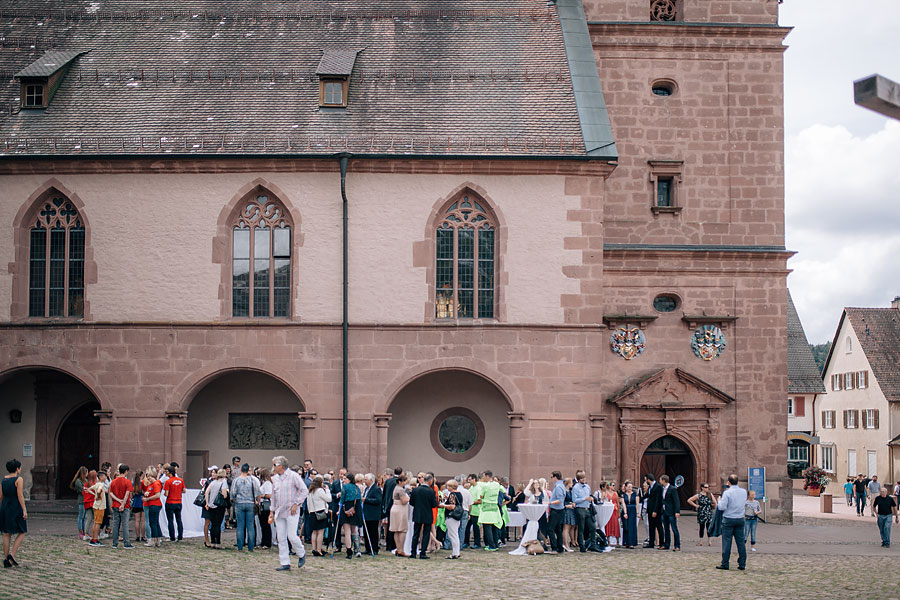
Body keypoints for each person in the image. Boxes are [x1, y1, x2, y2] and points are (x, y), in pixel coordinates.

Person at [269, 455, 308, 571]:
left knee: (292, 536)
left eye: (275, 464)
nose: (273, 467)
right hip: (279, 510)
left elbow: (304, 490)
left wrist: (297, 503)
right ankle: (285, 562)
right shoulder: (275, 479)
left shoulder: (293, 476)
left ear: (281, 465)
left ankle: (301, 553)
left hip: (292, 510)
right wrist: (272, 511)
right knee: (281, 537)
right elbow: (274, 496)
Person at [715, 474, 748, 571]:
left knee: (727, 542)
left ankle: (725, 563)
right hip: (740, 518)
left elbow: (722, 507)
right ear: (738, 482)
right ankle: (742, 563)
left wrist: (719, 501)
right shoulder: (743, 492)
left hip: (729, 519)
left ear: (728, 482)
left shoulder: (727, 493)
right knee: (740, 542)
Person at [1, 459, 27, 568]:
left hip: (5, 507)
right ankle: (12, 554)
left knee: (7, 534)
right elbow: (20, 495)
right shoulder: (18, 479)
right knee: (22, 531)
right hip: (15, 507)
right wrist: (24, 509)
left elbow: (0, 496)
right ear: (17, 469)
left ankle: (6, 558)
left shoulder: (3, 480)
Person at [232, 463, 261, 552]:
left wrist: (234, 500)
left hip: (239, 503)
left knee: (240, 526)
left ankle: (240, 546)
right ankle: (251, 547)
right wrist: (258, 501)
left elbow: (233, 493)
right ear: (248, 470)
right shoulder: (252, 480)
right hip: (250, 503)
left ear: (241, 470)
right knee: (250, 525)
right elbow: (257, 492)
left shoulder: (236, 480)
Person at [409, 473, 438, 559]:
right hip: (427, 514)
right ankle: (423, 553)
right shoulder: (431, 492)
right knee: (426, 534)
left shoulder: (415, 490)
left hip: (417, 513)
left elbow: (411, 503)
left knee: (416, 534)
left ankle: (413, 552)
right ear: (430, 481)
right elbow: (434, 504)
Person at [108, 463, 134, 549]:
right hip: (125, 506)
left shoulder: (113, 481)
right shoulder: (127, 482)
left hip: (115, 504)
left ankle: (114, 543)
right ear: (126, 471)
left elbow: (111, 493)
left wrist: (118, 500)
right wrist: (122, 504)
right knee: (125, 524)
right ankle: (126, 543)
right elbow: (127, 494)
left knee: (115, 524)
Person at [339, 471, 363, 559]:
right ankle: (357, 549)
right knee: (354, 530)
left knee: (347, 531)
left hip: (347, 507)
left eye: (345, 478)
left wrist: (339, 509)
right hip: (355, 508)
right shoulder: (357, 488)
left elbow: (342, 500)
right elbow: (359, 500)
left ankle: (349, 550)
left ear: (349, 479)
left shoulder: (345, 487)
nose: (344, 480)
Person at [306, 475, 331, 556]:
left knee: (314, 532)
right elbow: (329, 499)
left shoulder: (310, 491)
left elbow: (308, 504)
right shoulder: (320, 491)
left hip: (312, 512)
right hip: (320, 512)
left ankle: (314, 549)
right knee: (320, 532)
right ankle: (319, 549)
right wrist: (327, 490)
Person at [204, 468, 229, 549]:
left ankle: (212, 542)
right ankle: (218, 542)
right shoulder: (224, 482)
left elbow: (207, 492)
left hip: (211, 505)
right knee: (218, 524)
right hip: (219, 505)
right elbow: (224, 494)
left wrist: (207, 503)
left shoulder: (213, 482)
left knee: (213, 524)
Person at [687, 482, 717, 546]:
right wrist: (696, 505)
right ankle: (701, 541)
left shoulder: (709, 494)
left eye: (708, 487)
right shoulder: (698, 495)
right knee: (702, 527)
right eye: (706, 487)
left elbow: (715, 502)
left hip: (708, 512)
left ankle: (710, 541)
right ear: (702, 488)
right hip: (702, 512)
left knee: (709, 527)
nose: (707, 488)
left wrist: (713, 507)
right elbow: (689, 500)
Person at [389, 474, 410, 557]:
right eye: (404, 481)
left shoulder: (396, 488)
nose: (405, 483)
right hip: (400, 509)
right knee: (402, 529)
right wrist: (409, 498)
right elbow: (404, 501)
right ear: (400, 482)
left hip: (395, 509)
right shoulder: (400, 490)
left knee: (396, 530)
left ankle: (398, 548)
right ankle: (401, 549)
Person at [571, 471, 593, 552]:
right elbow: (574, 500)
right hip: (580, 508)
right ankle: (581, 546)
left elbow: (589, 495)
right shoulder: (576, 487)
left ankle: (592, 544)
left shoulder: (587, 486)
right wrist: (584, 499)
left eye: (584, 478)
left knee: (592, 527)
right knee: (581, 528)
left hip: (587, 508)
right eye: (582, 478)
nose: (584, 479)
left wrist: (590, 499)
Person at [142, 466, 163, 547]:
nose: (148, 479)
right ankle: (157, 539)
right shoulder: (152, 484)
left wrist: (148, 499)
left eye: (149, 477)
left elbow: (157, 495)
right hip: (152, 504)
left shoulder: (156, 484)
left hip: (155, 504)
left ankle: (154, 539)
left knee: (153, 522)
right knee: (154, 522)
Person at [382, 466, 402, 553]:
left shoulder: (388, 481)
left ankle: (388, 544)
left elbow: (384, 494)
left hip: (388, 506)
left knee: (390, 526)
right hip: (395, 505)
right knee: (395, 526)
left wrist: (384, 505)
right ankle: (393, 544)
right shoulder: (398, 482)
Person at [442, 479, 463, 559]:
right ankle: (456, 552)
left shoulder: (452, 494)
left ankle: (455, 553)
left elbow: (452, 506)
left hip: (451, 516)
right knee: (455, 534)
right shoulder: (459, 493)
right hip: (457, 517)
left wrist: (443, 505)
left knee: (452, 535)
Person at [162, 465, 184, 542]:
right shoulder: (180, 480)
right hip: (178, 502)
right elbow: (184, 490)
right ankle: (180, 536)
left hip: (170, 502)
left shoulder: (168, 481)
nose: (165, 473)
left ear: (170, 472)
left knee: (170, 520)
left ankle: (172, 537)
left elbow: (166, 494)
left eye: (166, 472)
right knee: (179, 519)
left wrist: (165, 493)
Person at [362, 473, 382, 555]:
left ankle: (374, 548)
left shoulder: (376, 489)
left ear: (371, 480)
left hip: (373, 514)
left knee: (373, 532)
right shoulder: (367, 489)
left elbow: (378, 500)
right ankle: (368, 548)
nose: (364, 481)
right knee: (366, 532)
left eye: (366, 479)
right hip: (366, 514)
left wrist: (366, 500)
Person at [659, 474, 680, 551]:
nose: (660, 481)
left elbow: (676, 501)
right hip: (664, 511)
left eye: (660, 480)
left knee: (674, 529)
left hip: (671, 512)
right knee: (666, 529)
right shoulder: (662, 488)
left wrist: (677, 511)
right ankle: (666, 544)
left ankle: (677, 545)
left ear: (664, 480)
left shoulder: (672, 489)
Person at [547, 471, 566, 554]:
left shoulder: (558, 486)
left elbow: (560, 500)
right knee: (558, 529)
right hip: (559, 510)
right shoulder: (561, 485)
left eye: (552, 477)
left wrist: (550, 503)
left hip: (556, 510)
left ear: (555, 477)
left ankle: (554, 547)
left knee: (550, 529)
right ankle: (560, 547)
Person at [644, 474, 664, 549]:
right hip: (650, 510)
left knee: (659, 526)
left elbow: (658, 500)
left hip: (656, 511)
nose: (645, 481)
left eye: (646, 480)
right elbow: (648, 495)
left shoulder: (658, 487)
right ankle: (651, 543)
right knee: (651, 527)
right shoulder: (650, 487)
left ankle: (661, 543)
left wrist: (655, 511)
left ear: (649, 479)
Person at [69, 466, 89, 539]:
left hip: (86, 500)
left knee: (84, 517)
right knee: (81, 516)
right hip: (82, 500)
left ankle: (84, 530)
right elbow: (83, 490)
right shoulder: (78, 481)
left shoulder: (85, 480)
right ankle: (81, 531)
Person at [258, 468, 274, 549]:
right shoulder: (264, 483)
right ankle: (263, 541)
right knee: (263, 525)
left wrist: (261, 496)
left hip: (266, 505)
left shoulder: (267, 484)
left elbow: (269, 495)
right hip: (262, 505)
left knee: (265, 525)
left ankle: (267, 542)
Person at [620, 481, 638, 549]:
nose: (630, 488)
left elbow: (637, 504)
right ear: (626, 487)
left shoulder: (635, 494)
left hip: (633, 510)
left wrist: (637, 513)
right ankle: (626, 542)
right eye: (628, 487)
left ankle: (632, 542)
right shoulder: (623, 495)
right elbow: (623, 504)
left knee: (632, 526)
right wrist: (625, 513)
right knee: (626, 526)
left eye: (631, 487)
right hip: (627, 510)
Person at [131, 470, 145, 543]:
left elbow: (132, 494)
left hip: (136, 502)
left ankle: (137, 536)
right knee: (143, 520)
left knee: (137, 520)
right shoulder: (143, 483)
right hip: (142, 501)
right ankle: (143, 536)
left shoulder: (134, 484)